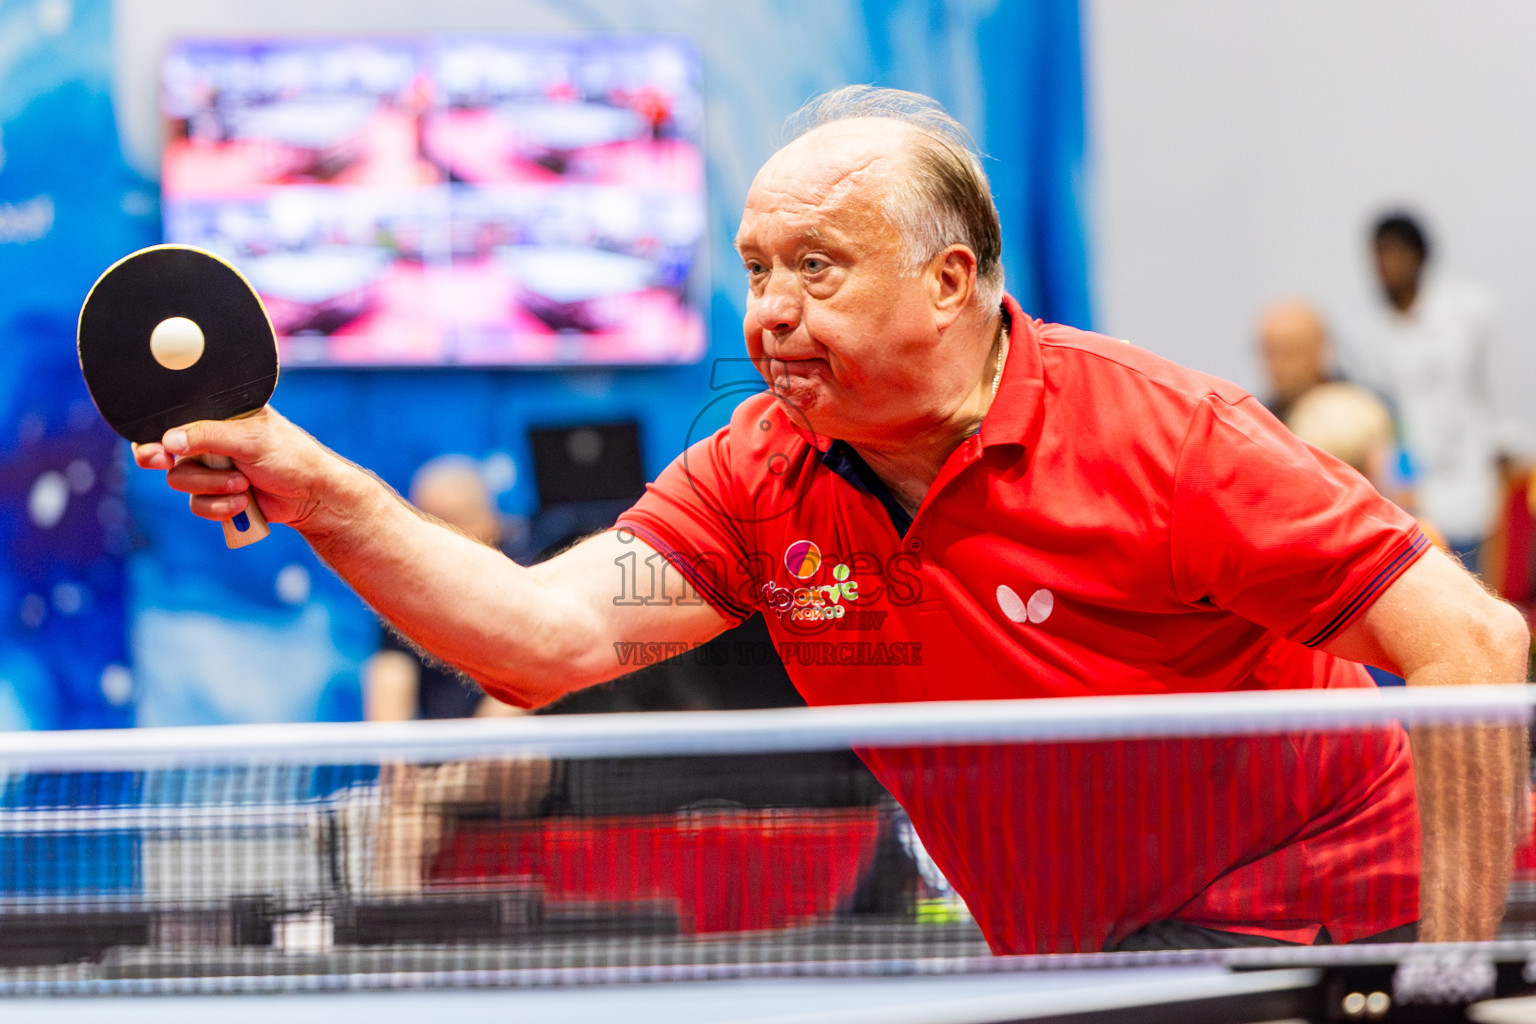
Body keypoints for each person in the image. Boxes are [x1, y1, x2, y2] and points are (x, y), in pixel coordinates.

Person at [132, 87, 1528, 954]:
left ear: (951, 283)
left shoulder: (1169, 440)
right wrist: (318, 486)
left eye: (816, 265)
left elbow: (1473, 642)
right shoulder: (760, 476)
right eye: (753, 267)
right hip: (1085, 956)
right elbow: (538, 640)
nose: (768, 312)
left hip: (1316, 931)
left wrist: (1451, 974)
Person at [1354, 211, 1517, 570]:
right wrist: (1403, 488)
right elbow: (1395, 423)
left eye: (1394, 252)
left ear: (1420, 255)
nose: (1385, 264)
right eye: (1377, 254)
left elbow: (1493, 394)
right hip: (1421, 499)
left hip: (1477, 483)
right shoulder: (1374, 337)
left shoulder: (1469, 312)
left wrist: (1505, 461)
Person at [363, 454, 523, 721]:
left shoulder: (530, 569)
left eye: (455, 518)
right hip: (443, 746)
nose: (444, 534)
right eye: (432, 520)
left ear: (490, 517)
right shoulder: (406, 587)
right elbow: (391, 672)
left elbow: (541, 678)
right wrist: (391, 752)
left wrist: (486, 748)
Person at [1255, 299, 1335, 422]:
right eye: (1270, 353)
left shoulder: (1358, 408)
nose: (1278, 365)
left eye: (1288, 352)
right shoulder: (1258, 420)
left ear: (1318, 351)